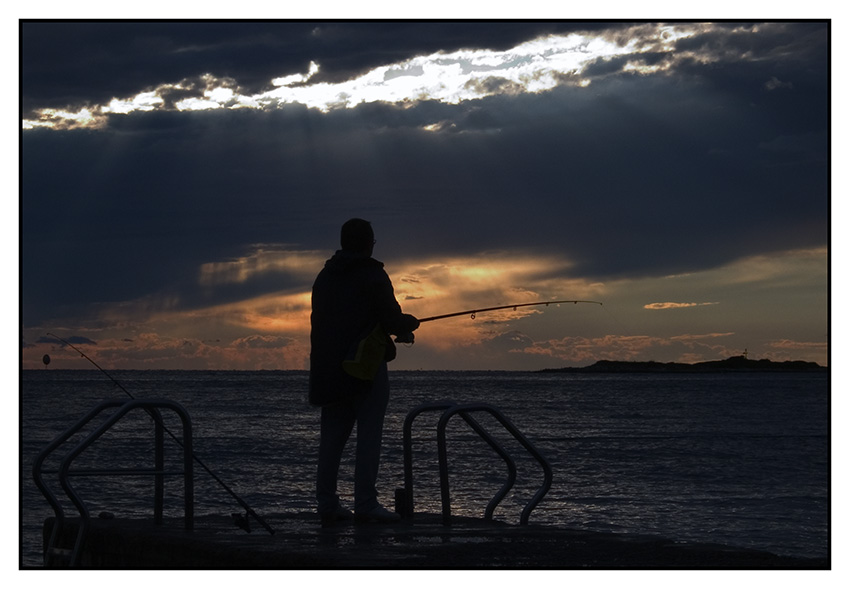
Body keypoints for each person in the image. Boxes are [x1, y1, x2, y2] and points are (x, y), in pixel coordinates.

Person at [309, 218, 420, 526]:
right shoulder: (374, 275)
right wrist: (409, 325)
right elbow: (391, 318)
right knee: (368, 436)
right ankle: (366, 503)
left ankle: (327, 502)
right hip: (365, 369)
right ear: (368, 243)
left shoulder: (324, 277)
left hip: (329, 369)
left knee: (331, 439)